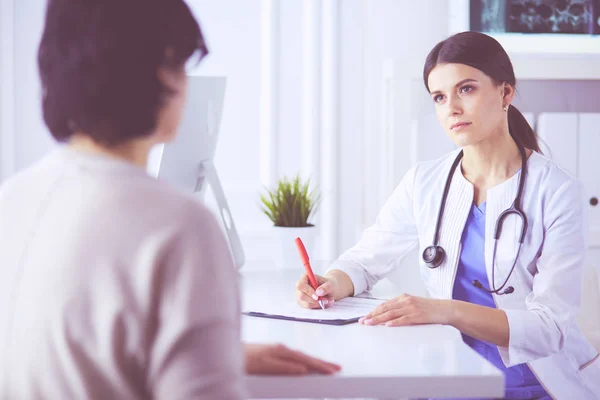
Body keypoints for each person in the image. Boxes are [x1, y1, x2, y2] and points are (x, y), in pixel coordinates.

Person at [0, 0, 339, 399]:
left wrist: (207, 355)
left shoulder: (12, 198)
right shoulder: (178, 226)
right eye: (182, 65)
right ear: (158, 71)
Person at [296, 31, 600, 399]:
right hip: (452, 374)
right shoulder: (425, 181)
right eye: (439, 97)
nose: (451, 108)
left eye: (466, 89)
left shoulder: (557, 191)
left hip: (537, 382)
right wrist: (328, 282)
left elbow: (550, 328)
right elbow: (364, 261)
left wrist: (444, 311)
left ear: (506, 93)